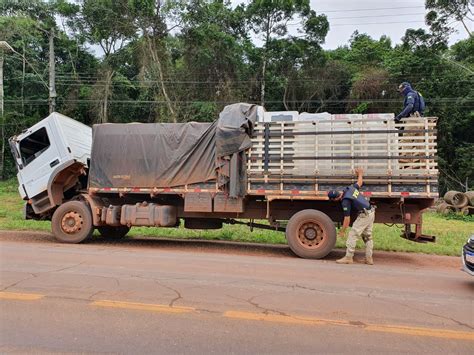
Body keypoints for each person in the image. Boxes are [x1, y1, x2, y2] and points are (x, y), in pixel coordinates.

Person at [327, 168, 375, 265]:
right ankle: (369, 259)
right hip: (371, 212)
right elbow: (359, 183)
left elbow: (347, 218)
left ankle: (348, 257)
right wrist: (360, 174)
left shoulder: (345, 201)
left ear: (336, 198)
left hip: (364, 215)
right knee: (367, 236)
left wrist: (342, 231)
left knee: (353, 235)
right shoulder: (349, 189)